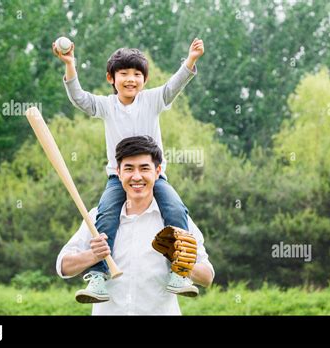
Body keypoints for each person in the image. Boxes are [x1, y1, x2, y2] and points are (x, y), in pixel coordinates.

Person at [52, 37, 205, 303]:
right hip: (117, 178)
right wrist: (70, 65)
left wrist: (190, 60)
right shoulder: (106, 106)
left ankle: (179, 272)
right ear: (111, 78)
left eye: (137, 74)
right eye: (124, 74)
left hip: (154, 178)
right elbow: (79, 99)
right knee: (106, 215)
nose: (131, 79)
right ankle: (99, 276)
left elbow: (173, 86)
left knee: (176, 210)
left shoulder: (153, 100)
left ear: (144, 79)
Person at [56, 136, 214, 315]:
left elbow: (207, 277)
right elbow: (63, 267)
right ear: (119, 173)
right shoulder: (98, 217)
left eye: (144, 168)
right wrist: (93, 256)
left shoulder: (176, 220)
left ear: (157, 171)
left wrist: (181, 260)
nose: (137, 176)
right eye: (129, 168)